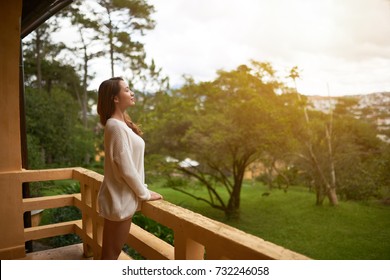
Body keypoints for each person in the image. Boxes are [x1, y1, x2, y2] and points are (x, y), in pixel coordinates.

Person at [97, 77, 163, 260]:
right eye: (126, 90)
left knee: (109, 253)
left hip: (121, 199)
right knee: (111, 254)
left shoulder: (120, 125)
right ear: (115, 98)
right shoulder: (115, 127)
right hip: (120, 201)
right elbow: (126, 169)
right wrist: (145, 194)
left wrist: (143, 190)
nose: (131, 92)